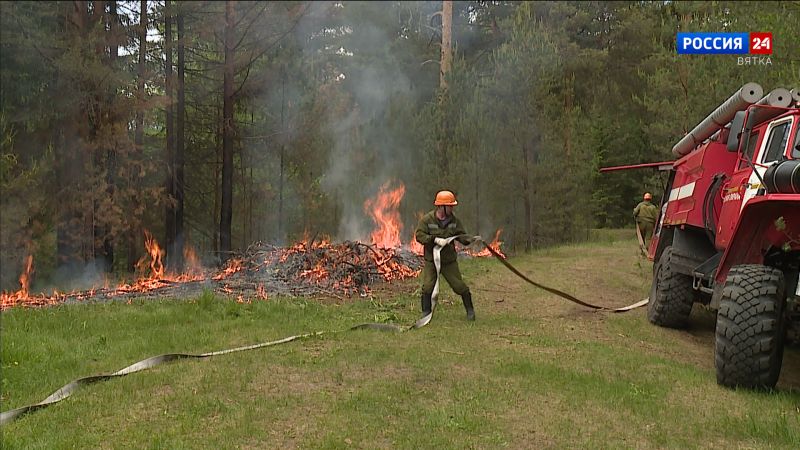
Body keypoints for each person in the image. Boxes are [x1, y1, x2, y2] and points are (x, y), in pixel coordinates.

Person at [414, 190, 479, 321]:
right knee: (427, 286)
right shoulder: (427, 220)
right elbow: (419, 235)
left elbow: (462, 236)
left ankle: (470, 311)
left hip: (449, 261)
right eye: (450, 206)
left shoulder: (454, 221)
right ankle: (426, 313)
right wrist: (433, 239)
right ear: (441, 206)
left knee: (459, 286)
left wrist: (471, 239)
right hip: (432, 260)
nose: (452, 208)